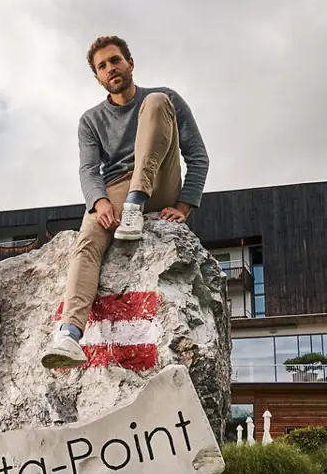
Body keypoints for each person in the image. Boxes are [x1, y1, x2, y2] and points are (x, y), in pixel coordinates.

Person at [41, 35, 210, 369]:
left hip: (160, 176)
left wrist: (185, 206)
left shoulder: (166, 99)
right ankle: (69, 336)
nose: (111, 68)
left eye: (115, 60)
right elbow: (89, 170)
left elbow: (197, 156)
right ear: (98, 77)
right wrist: (99, 203)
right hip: (116, 188)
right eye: (102, 66)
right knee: (87, 239)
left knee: (159, 101)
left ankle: (135, 204)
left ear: (130, 63)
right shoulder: (90, 120)